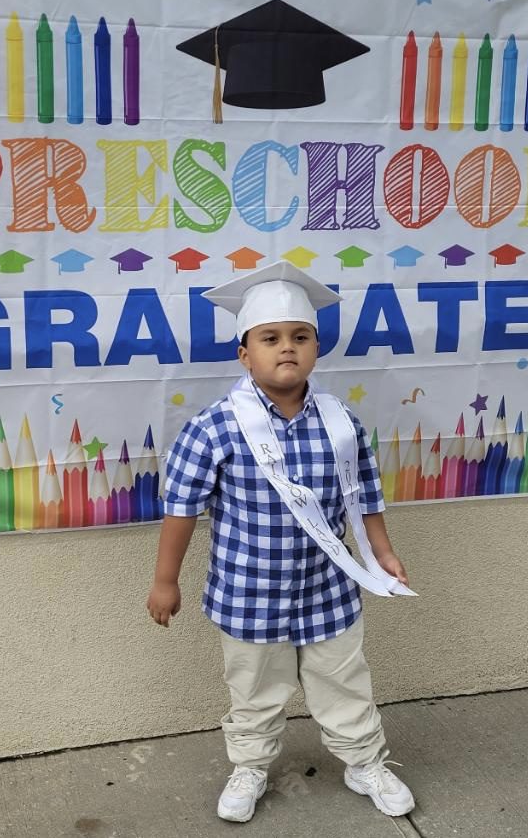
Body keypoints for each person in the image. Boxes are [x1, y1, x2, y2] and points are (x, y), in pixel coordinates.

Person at [146, 261, 417, 823]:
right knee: (254, 691)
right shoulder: (215, 428)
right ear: (245, 354)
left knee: (344, 682)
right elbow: (181, 509)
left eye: (300, 337)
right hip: (249, 595)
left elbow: (363, 492)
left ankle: (365, 762)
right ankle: (250, 766)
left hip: (328, 592)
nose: (286, 348)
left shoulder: (342, 422)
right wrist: (164, 580)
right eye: (270, 338)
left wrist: (382, 552)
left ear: (317, 346)